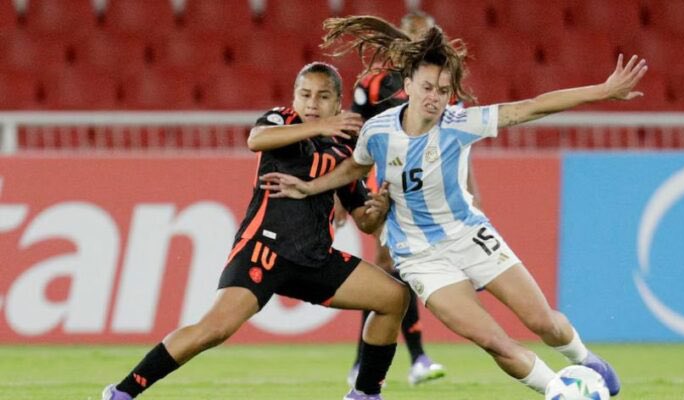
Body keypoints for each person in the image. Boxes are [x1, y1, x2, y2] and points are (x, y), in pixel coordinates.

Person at [259, 16, 647, 396]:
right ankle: (559, 391)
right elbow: (354, 168)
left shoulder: (459, 123)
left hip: (470, 236)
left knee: (544, 323)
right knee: (494, 341)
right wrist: (310, 189)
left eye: (443, 90)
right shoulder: (377, 131)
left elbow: (531, 106)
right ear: (407, 84)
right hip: (419, 256)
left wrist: (601, 91)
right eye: (427, 86)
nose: (434, 97)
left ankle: (585, 360)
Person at [101, 62, 410, 400]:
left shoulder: (346, 150)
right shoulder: (282, 121)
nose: (312, 103)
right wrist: (322, 124)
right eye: (305, 95)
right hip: (264, 251)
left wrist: (378, 210)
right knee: (213, 330)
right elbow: (256, 139)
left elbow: (363, 220)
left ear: (338, 103)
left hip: (315, 258)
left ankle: (365, 394)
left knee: (394, 297)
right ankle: (121, 393)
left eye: (323, 97)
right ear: (294, 98)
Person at [344, 10, 482, 387]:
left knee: (401, 269)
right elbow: (353, 139)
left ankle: (396, 359)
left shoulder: (441, 85)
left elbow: (458, 143)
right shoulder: (373, 85)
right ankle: (392, 359)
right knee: (387, 265)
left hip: (434, 189)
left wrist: (470, 188)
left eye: (426, 36)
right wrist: (345, 196)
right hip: (386, 185)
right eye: (413, 36)